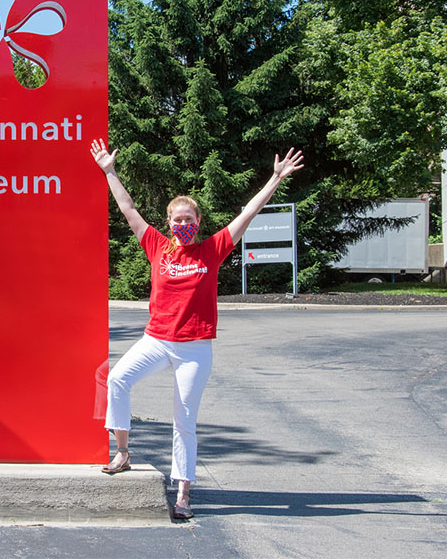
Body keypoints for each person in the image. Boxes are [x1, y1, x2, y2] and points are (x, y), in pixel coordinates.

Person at [90, 139, 304, 520]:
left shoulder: (212, 249)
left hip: (194, 348)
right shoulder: (157, 246)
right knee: (118, 379)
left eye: (190, 219)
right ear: (169, 222)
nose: (184, 225)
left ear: (198, 223)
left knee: (183, 421)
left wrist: (274, 179)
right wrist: (109, 170)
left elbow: (249, 214)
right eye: (178, 220)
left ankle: (184, 492)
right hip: (156, 340)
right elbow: (128, 210)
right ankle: (122, 451)